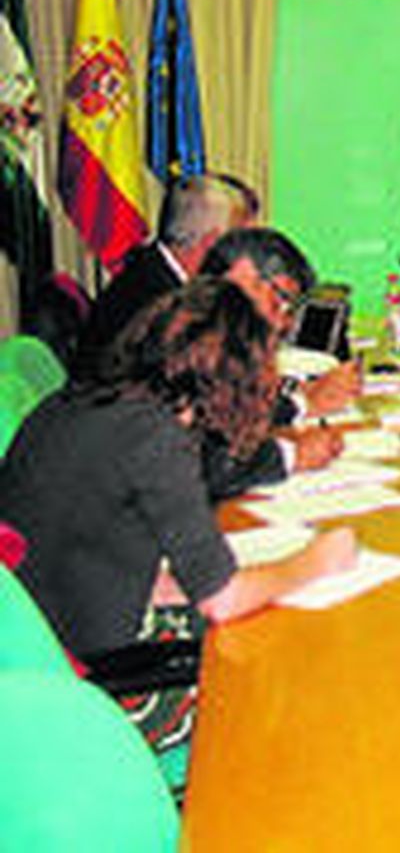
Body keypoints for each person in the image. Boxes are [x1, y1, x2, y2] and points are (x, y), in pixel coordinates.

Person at [0, 279, 356, 659]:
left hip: (35, 638)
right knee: (295, 645)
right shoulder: (156, 436)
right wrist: (313, 563)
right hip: (89, 666)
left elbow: (97, 545)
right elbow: (223, 600)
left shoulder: (86, 399)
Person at [198, 227, 352, 498]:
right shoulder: (185, 344)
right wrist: (291, 455)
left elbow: (232, 415)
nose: (283, 322)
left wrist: (300, 404)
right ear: (240, 275)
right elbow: (201, 460)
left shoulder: (219, 340)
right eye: (280, 299)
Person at [74, 173, 253, 378]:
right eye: (234, 241)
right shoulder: (154, 297)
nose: (239, 253)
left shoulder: (153, 271)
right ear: (211, 241)